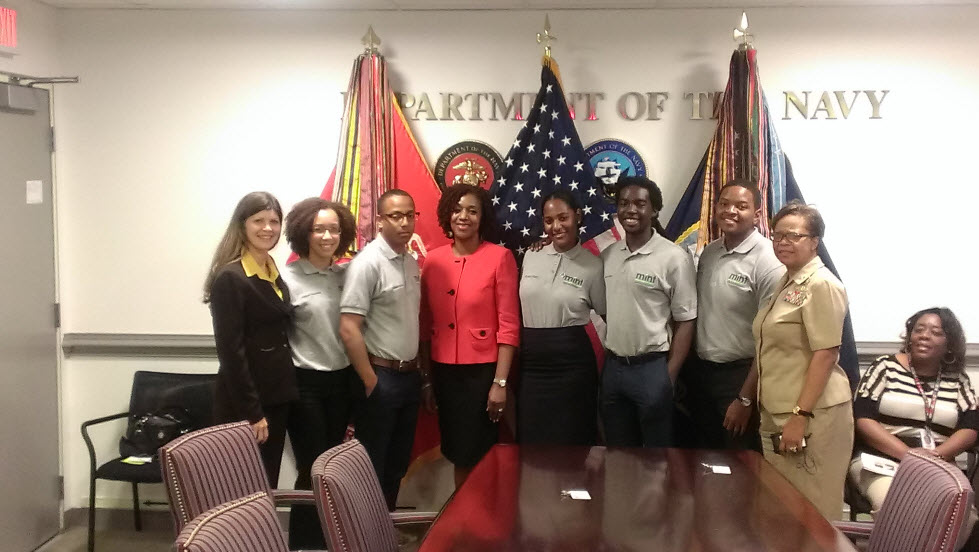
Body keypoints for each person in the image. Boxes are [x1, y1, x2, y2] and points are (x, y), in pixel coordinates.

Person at [753, 200, 853, 519]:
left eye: (793, 235)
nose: (783, 242)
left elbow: (826, 354)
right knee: (781, 509)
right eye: (777, 235)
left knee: (813, 513)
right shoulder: (786, 281)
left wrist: (800, 415)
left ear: (814, 242)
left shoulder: (822, 284)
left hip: (811, 417)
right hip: (776, 412)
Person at [420, 183, 519, 488]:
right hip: (444, 372)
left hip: (483, 373)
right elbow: (425, 323)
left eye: (472, 211)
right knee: (456, 450)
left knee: (478, 452)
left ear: (483, 217)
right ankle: (463, 520)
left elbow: (509, 325)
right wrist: (427, 379)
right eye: (457, 209)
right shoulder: (432, 260)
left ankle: (480, 522)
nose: (464, 216)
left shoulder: (500, 257)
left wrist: (500, 383)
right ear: (447, 214)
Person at [682, 180, 784, 451]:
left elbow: (769, 340)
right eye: (724, 204)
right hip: (702, 374)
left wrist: (745, 399)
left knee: (738, 464)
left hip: (739, 378)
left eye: (741, 206)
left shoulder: (768, 261)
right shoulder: (710, 252)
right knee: (703, 458)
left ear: (758, 214)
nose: (731, 211)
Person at [338, 189, 423, 512]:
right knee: (371, 465)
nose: (404, 223)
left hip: (409, 376)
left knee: (396, 465)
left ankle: (383, 531)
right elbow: (349, 327)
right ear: (379, 221)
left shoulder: (410, 262)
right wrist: (369, 379)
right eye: (395, 216)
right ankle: (363, 535)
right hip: (380, 377)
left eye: (410, 215)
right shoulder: (367, 264)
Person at [203, 191, 296, 486]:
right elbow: (231, 353)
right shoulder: (231, 277)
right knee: (241, 488)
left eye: (274, 221)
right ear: (242, 225)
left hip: (276, 397)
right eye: (259, 220)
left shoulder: (270, 269)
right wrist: (253, 413)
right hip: (247, 405)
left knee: (264, 485)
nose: (268, 228)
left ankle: (258, 535)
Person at [280, 197, 356, 549]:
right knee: (311, 469)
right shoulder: (287, 277)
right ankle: (304, 544)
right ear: (303, 233)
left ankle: (331, 540)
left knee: (333, 466)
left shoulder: (347, 274)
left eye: (334, 229)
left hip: (341, 382)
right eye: (319, 229)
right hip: (305, 384)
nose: (327, 236)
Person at [600, 176, 697, 448]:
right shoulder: (608, 255)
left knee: (656, 456)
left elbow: (686, 320)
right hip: (614, 368)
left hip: (653, 368)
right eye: (624, 203)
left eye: (640, 203)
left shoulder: (673, 257)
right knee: (618, 451)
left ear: (654, 210)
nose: (631, 210)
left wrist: (670, 375)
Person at [850, 307, 977, 514]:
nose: (924, 336)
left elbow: (970, 427)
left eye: (936, 333)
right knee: (899, 508)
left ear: (949, 345)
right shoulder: (884, 367)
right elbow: (863, 418)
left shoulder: (958, 379)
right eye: (919, 330)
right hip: (882, 460)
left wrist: (937, 455)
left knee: (962, 514)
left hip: (937, 462)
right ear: (910, 337)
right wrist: (909, 455)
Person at [518, 189, 605, 445]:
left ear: (577, 216)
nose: (556, 226)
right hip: (532, 364)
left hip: (573, 364)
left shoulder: (593, 265)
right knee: (533, 440)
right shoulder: (531, 254)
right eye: (548, 220)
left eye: (563, 217)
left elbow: (606, 313)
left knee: (572, 440)